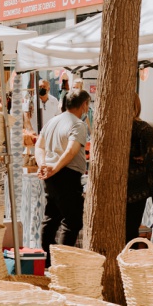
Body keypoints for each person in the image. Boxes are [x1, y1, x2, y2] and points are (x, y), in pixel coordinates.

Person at [36, 89, 91, 264]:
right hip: (65, 174)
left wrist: (44, 165)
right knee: (72, 220)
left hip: (52, 174)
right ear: (84, 105)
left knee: (52, 216)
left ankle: (48, 259)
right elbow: (71, 150)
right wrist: (54, 167)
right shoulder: (78, 124)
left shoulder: (52, 121)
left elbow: (39, 146)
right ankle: (61, 260)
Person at [126, 94, 153, 244]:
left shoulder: (114, 130)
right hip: (137, 186)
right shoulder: (146, 131)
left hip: (119, 185)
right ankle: (128, 260)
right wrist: (147, 158)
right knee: (131, 228)